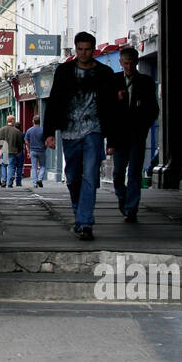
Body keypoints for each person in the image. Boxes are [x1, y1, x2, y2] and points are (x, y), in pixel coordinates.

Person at [43, 32, 116, 241]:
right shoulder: (64, 71)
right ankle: (79, 212)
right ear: (75, 49)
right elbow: (55, 101)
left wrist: (111, 139)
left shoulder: (105, 73)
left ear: (93, 50)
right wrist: (49, 133)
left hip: (94, 130)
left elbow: (112, 109)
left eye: (87, 49)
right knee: (73, 176)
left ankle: (85, 222)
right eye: (80, 49)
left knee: (91, 175)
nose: (84, 53)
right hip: (69, 132)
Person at [109, 46, 159, 223]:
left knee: (135, 173)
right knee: (118, 173)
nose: (128, 67)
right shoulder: (113, 81)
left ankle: (132, 208)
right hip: (119, 136)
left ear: (137, 62)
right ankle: (123, 199)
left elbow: (153, 110)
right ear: (120, 63)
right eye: (125, 63)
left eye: (131, 63)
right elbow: (106, 110)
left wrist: (143, 126)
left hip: (137, 135)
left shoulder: (145, 82)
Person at [0, 114, 25, 187]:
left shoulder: (1, 130)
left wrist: (1, 148)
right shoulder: (16, 131)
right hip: (13, 152)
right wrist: (19, 151)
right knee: (11, 166)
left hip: (4, 150)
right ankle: (9, 183)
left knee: (3, 166)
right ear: (12, 121)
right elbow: (20, 143)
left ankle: (3, 181)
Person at [24, 113, 46, 187]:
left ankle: (34, 183)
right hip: (41, 150)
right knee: (43, 166)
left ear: (33, 121)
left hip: (33, 150)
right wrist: (45, 147)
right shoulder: (43, 130)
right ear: (40, 121)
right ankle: (40, 179)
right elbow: (46, 141)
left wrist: (29, 150)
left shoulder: (29, 130)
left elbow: (26, 141)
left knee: (34, 167)